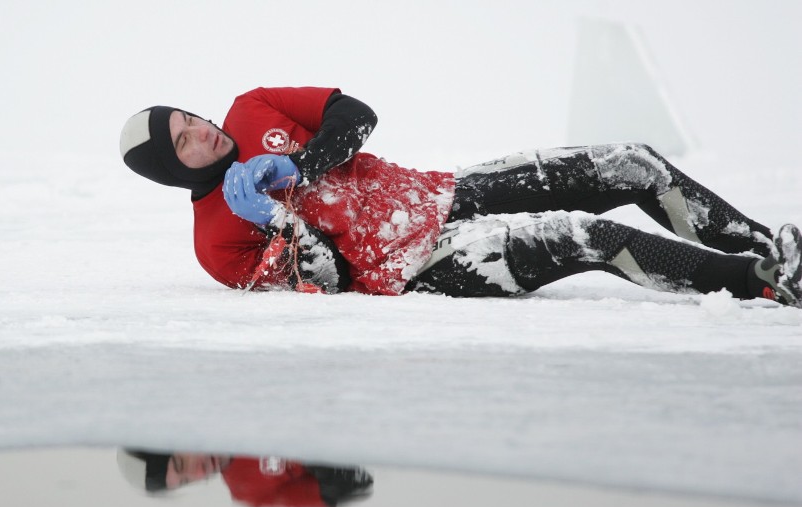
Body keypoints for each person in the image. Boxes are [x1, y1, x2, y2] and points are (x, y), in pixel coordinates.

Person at [119, 87, 802, 307]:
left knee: (631, 163)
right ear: (173, 172)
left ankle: (772, 248)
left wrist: (299, 163)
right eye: (182, 143)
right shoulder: (216, 242)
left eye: (188, 119)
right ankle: (766, 284)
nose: (201, 132)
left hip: (438, 193)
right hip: (418, 264)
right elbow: (328, 281)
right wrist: (273, 216)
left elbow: (355, 115)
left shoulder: (250, 107)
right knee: (585, 234)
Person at [116, 450, 373, 507]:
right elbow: (350, 488)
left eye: (181, 463)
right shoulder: (250, 492)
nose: (198, 474)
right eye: (186, 482)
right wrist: (329, 472)